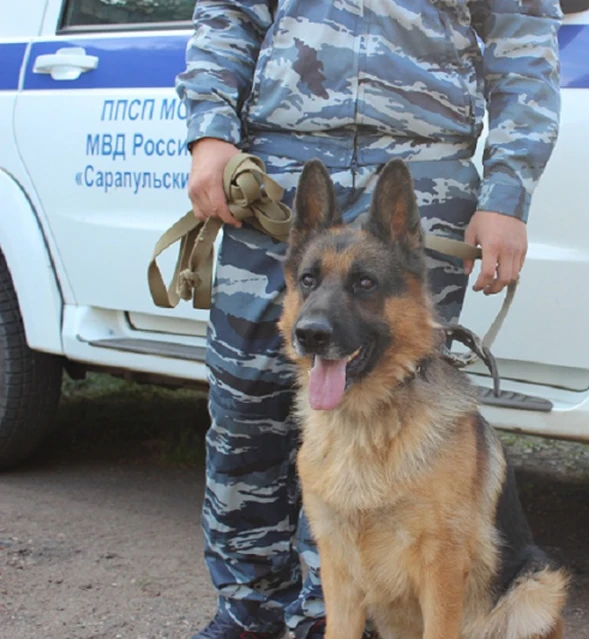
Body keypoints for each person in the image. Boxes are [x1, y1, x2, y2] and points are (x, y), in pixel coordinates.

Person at [174, 0, 562, 636]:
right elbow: (228, 10)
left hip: (424, 167)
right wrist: (211, 129)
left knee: (392, 417)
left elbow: (522, 29)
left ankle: (327, 621)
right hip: (278, 164)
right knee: (245, 409)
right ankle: (246, 614)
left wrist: (507, 192)